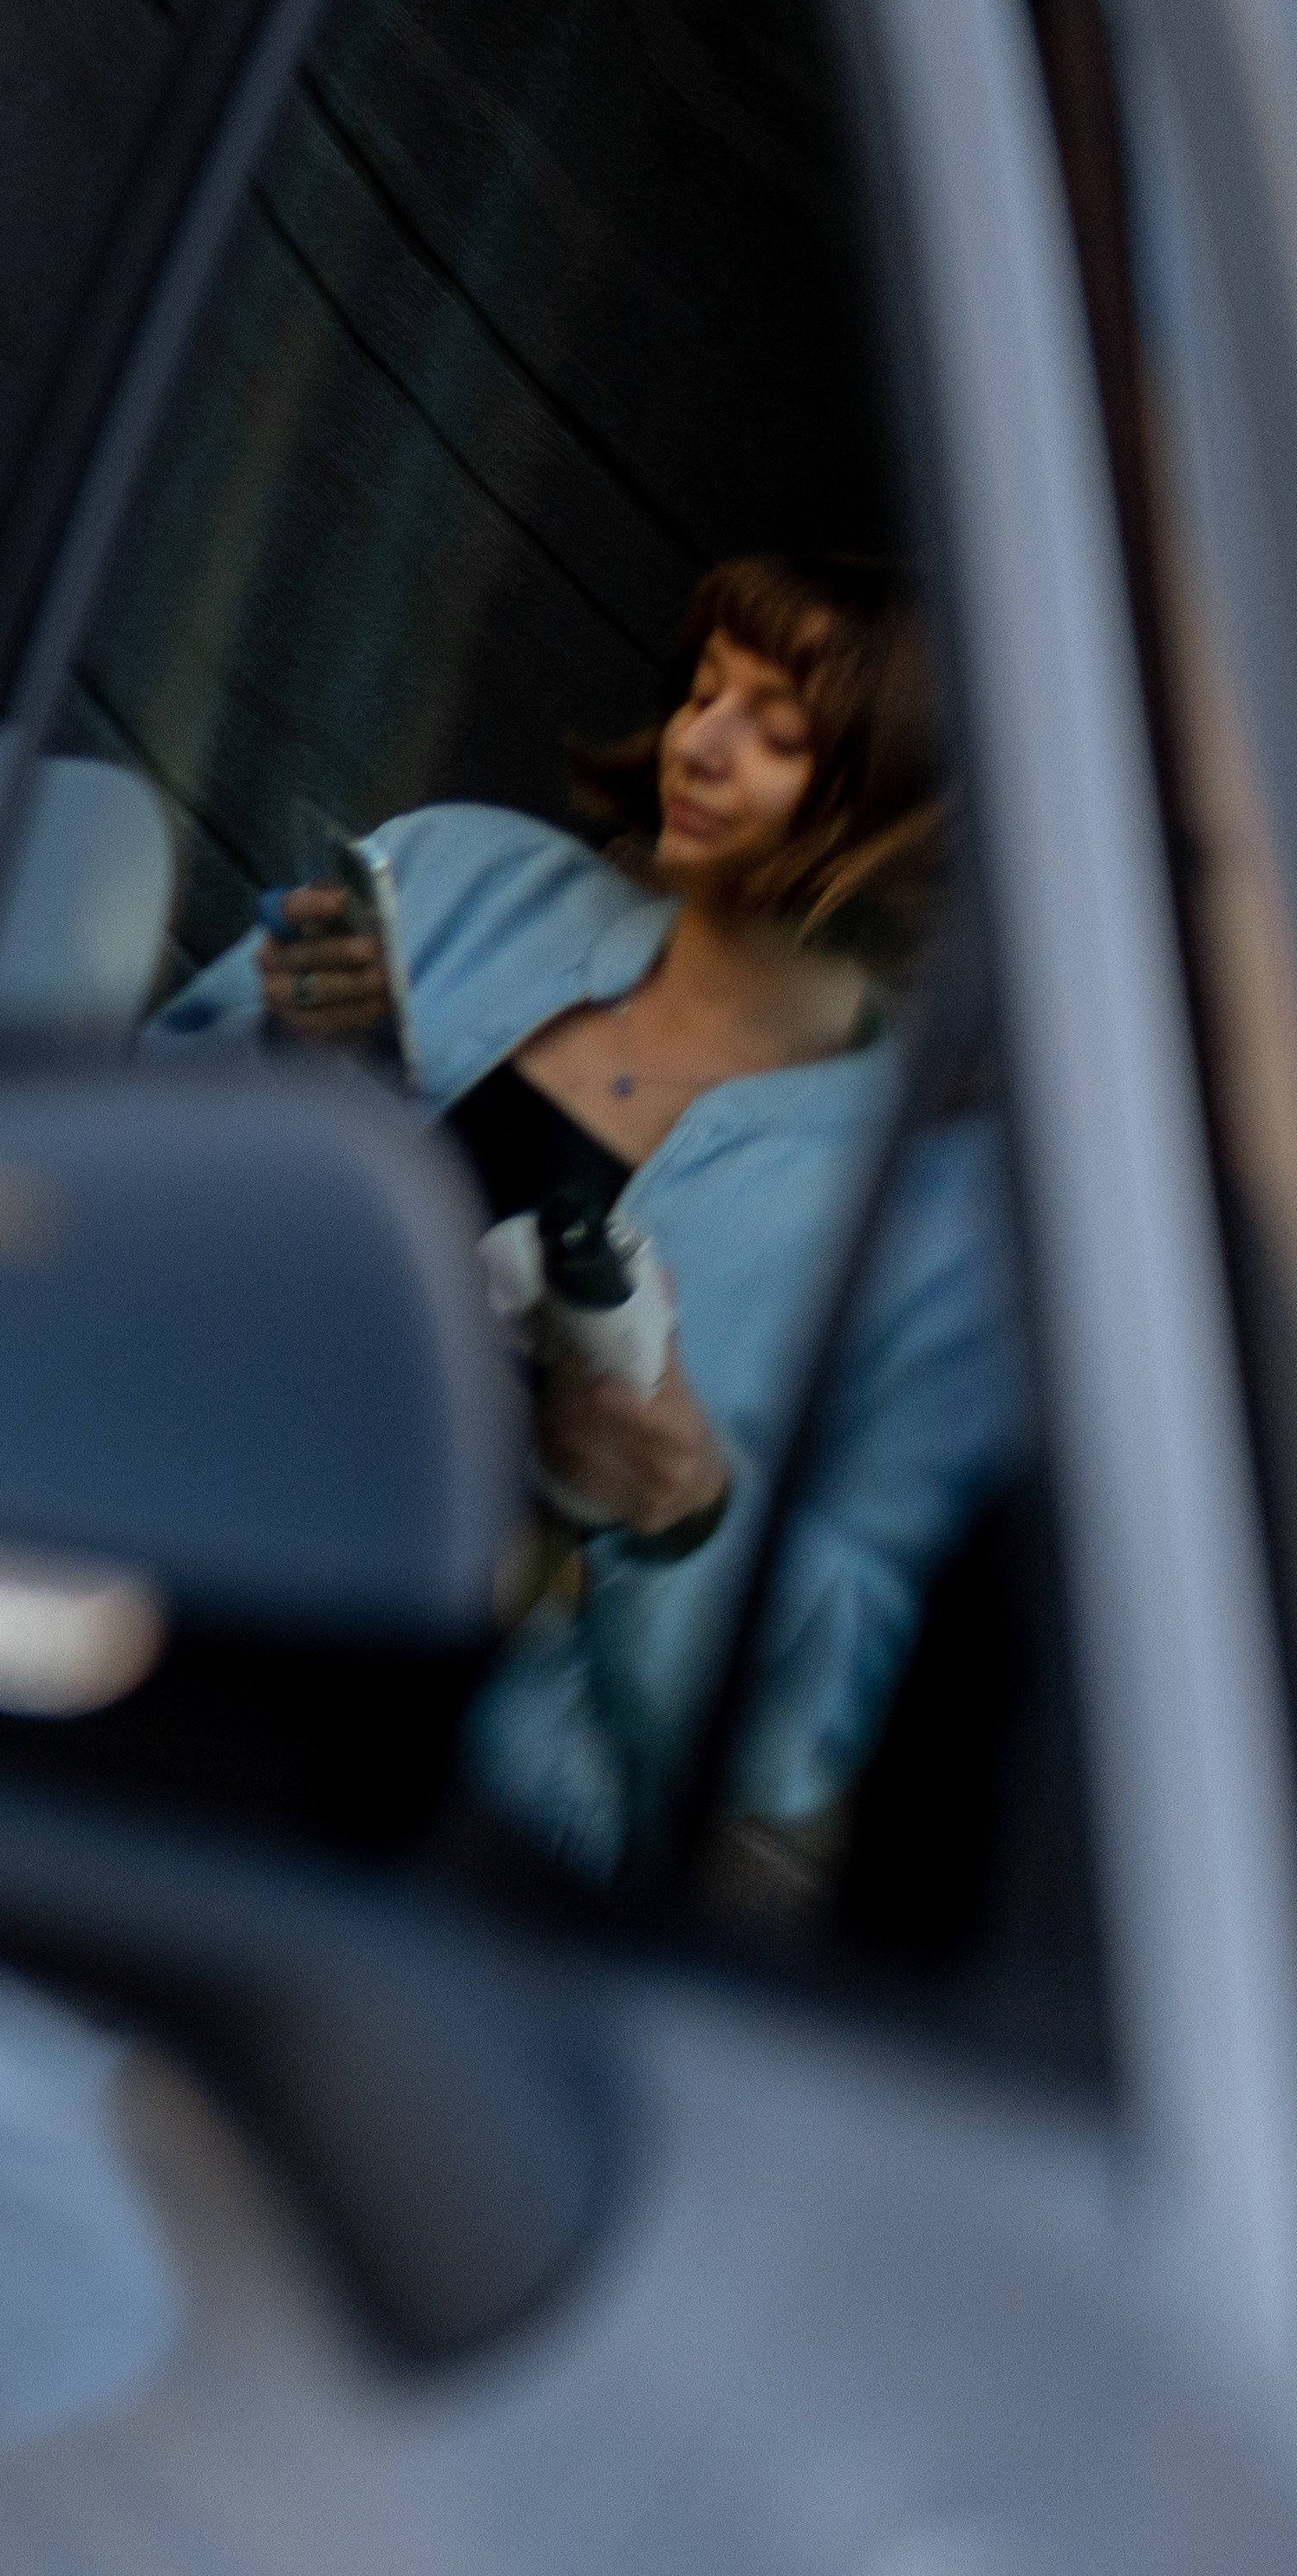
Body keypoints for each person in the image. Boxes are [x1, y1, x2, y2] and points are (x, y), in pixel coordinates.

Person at [149, 555, 1021, 1887]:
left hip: (447, 1842)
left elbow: (832, 1750)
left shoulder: (937, 1230)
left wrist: (685, 1510)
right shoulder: (459, 877)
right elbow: (120, 1171)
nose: (700, 742)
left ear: (901, 813)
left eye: (774, 731)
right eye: (705, 691)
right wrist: (298, 1075)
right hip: (175, 1598)